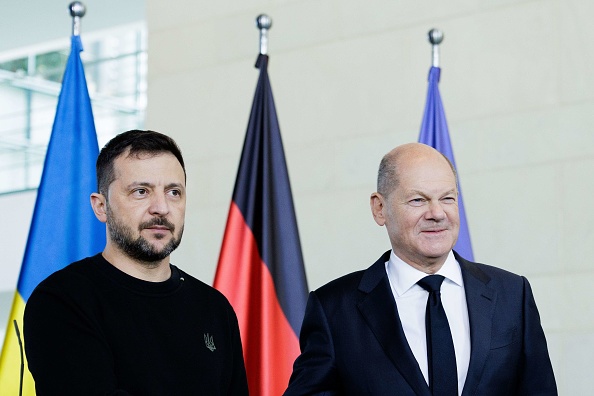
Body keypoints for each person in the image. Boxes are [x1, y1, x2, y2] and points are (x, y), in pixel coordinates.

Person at [284, 143, 557, 395]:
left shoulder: (511, 294)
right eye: (418, 200)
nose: (437, 213)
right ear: (380, 209)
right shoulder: (333, 309)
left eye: (448, 198)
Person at [24, 130, 248, 395]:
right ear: (101, 207)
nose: (161, 208)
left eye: (174, 192)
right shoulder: (62, 300)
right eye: (141, 191)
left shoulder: (214, 308)